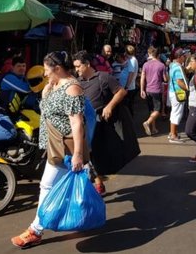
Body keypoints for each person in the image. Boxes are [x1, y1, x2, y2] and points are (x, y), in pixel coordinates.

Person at [11, 51, 86, 249]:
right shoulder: (56, 85)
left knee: (46, 186)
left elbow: (77, 123)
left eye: (46, 70)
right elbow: (45, 106)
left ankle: (36, 230)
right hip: (53, 145)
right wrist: (48, 88)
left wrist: (78, 154)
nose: (44, 74)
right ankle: (71, 216)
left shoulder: (72, 88)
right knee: (60, 187)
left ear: (58, 69)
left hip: (63, 148)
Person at [73, 50, 129, 195]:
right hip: (82, 123)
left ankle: (98, 183)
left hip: (99, 123)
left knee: (95, 155)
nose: (76, 70)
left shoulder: (103, 77)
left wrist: (110, 106)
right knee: (88, 155)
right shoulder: (77, 83)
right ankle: (97, 182)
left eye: (78, 66)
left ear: (87, 64)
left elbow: (121, 92)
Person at [140, 46, 168, 136]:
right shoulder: (161, 65)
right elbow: (165, 79)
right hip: (157, 90)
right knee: (158, 110)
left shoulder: (145, 64)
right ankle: (147, 122)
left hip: (148, 90)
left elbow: (142, 78)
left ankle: (154, 128)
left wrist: (142, 90)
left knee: (152, 110)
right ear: (158, 55)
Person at [167, 48, 189, 143]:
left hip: (173, 92)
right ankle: (173, 136)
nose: (185, 57)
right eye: (184, 56)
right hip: (178, 92)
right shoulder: (177, 67)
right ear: (179, 57)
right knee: (177, 114)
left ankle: (173, 133)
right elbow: (179, 81)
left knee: (174, 113)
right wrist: (188, 89)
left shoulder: (173, 65)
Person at [123, 45, 139, 116]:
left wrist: (126, 86)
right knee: (128, 105)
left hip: (129, 87)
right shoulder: (131, 60)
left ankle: (129, 122)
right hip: (130, 86)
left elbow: (131, 74)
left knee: (127, 106)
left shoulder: (132, 60)